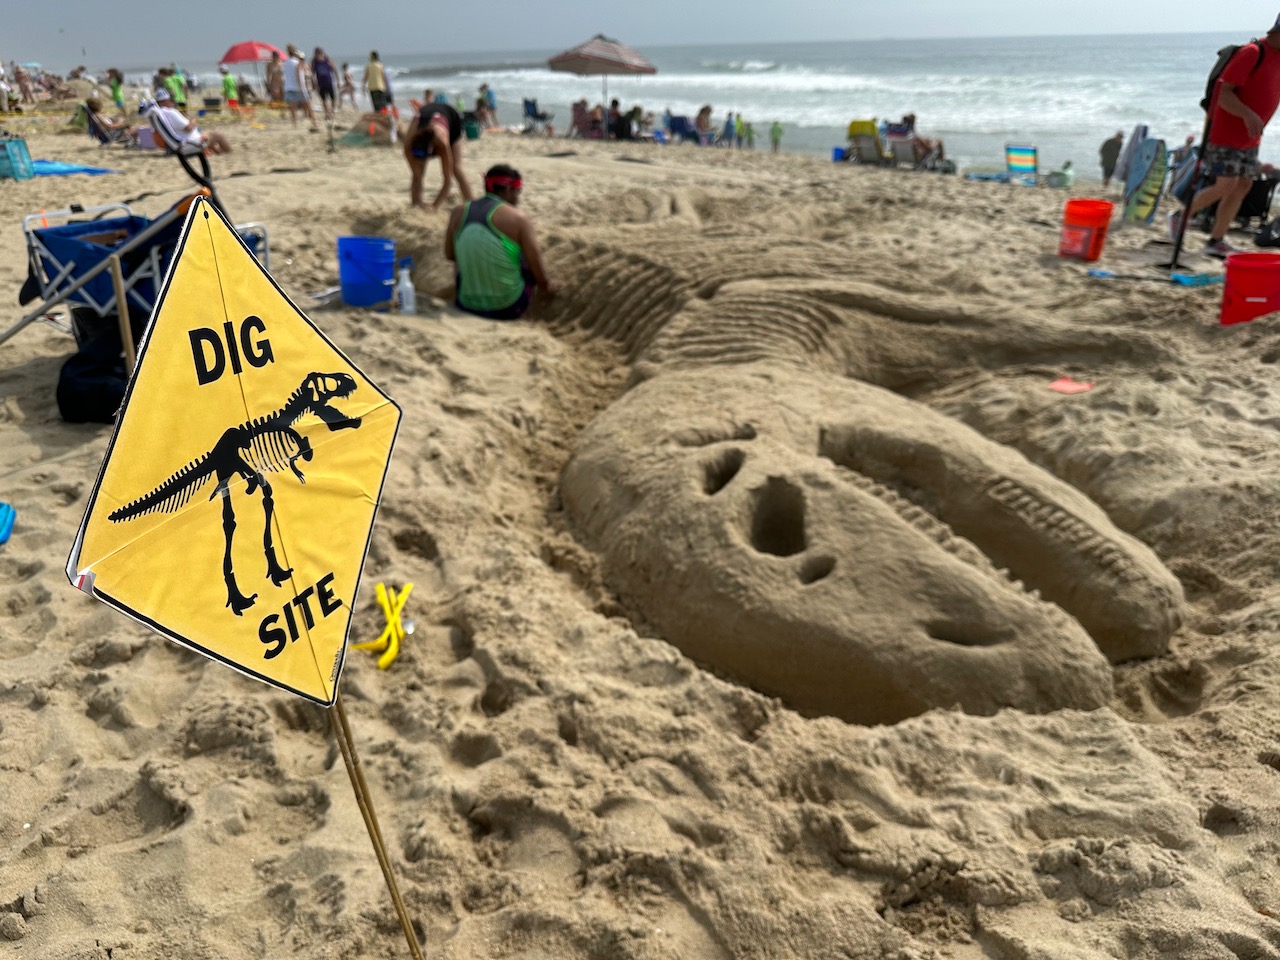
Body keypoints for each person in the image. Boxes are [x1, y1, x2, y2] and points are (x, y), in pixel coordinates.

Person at [1172, 19, 1280, 257]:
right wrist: (1249, 114)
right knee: (1226, 184)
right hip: (1225, 133)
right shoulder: (1252, 52)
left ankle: (1216, 240)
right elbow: (1223, 93)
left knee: (1243, 185)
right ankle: (1181, 215)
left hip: (1250, 138)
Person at [445, 163, 557, 320]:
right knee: (524, 256)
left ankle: (472, 293)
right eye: (517, 192)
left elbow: (450, 255)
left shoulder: (458, 212)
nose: (517, 199)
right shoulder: (519, 218)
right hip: (508, 308)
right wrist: (549, 287)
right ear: (508, 189)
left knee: (462, 255)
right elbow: (540, 274)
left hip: (465, 304)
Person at [404, 101, 474, 210]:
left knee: (456, 169)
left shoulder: (442, 143)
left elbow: (447, 181)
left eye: (422, 159)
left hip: (451, 119)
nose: (420, 161)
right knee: (417, 173)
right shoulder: (408, 144)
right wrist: (419, 205)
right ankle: (416, 205)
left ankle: (473, 205)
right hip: (426, 116)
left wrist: (434, 206)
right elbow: (417, 176)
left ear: (432, 151)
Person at [150, 87, 232, 154]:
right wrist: (193, 120)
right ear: (168, 100)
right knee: (218, 134)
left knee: (210, 136)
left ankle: (220, 153)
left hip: (177, 144)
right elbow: (188, 128)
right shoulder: (171, 112)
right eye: (171, 99)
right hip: (190, 143)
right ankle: (229, 153)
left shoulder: (159, 113)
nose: (173, 102)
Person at [282, 45, 318, 131]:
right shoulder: (298, 62)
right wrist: (301, 87)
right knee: (308, 106)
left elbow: (286, 75)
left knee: (292, 108)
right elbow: (298, 75)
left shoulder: (285, 63)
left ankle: (294, 125)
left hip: (288, 87)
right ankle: (314, 122)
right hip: (298, 87)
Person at [312, 47, 337, 121]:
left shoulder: (327, 59)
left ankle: (332, 111)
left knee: (333, 98)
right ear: (315, 54)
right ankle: (326, 113)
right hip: (320, 83)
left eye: (320, 52)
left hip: (329, 81)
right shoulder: (315, 62)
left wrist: (337, 80)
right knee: (324, 99)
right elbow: (312, 74)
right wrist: (314, 84)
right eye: (318, 53)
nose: (319, 54)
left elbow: (334, 69)